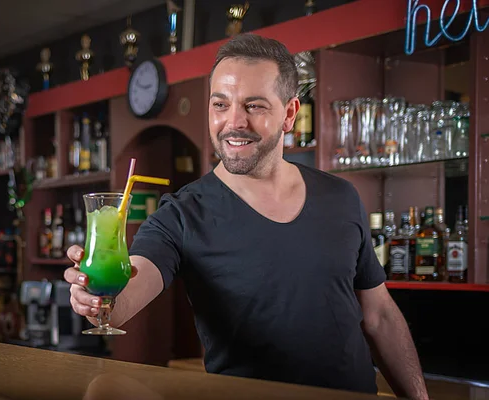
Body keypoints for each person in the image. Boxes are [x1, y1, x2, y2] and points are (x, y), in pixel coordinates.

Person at [64, 33, 429, 400]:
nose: (233, 122)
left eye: (254, 106)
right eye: (220, 104)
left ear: (289, 114)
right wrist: (96, 299)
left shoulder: (341, 197)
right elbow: (127, 295)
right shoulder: (181, 214)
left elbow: (379, 314)